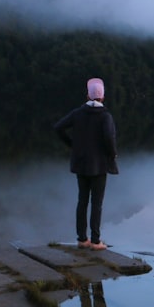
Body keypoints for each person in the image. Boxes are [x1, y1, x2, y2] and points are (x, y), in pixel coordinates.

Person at [54, 77, 119, 250]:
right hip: (99, 166)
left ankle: (82, 239)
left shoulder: (78, 113)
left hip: (81, 164)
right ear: (103, 97)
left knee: (82, 201)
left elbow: (58, 128)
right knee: (96, 203)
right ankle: (96, 241)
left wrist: (72, 145)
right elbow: (109, 138)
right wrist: (112, 154)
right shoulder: (105, 116)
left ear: (87, 96)